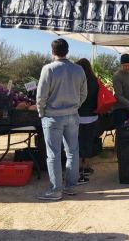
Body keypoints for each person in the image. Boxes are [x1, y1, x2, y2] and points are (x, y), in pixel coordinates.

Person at [36, 39, 87, 200]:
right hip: (72, 115)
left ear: (52, 51)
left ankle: (55, 190)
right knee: (72, 152)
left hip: (53, 117)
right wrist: (75, 106)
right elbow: (83, 93)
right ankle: (71, 187)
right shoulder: (79, 69)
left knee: (53, 154)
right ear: (67, 51)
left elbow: (40, 96)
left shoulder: (48, 69)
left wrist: (41, 112)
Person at [76, 58, 100, 184]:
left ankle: (79, 166)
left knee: (78, 142)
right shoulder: (95, 81)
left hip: (78, 117)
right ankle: (87, 167)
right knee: (89, 141)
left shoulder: (76, 82)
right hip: (92, 116)